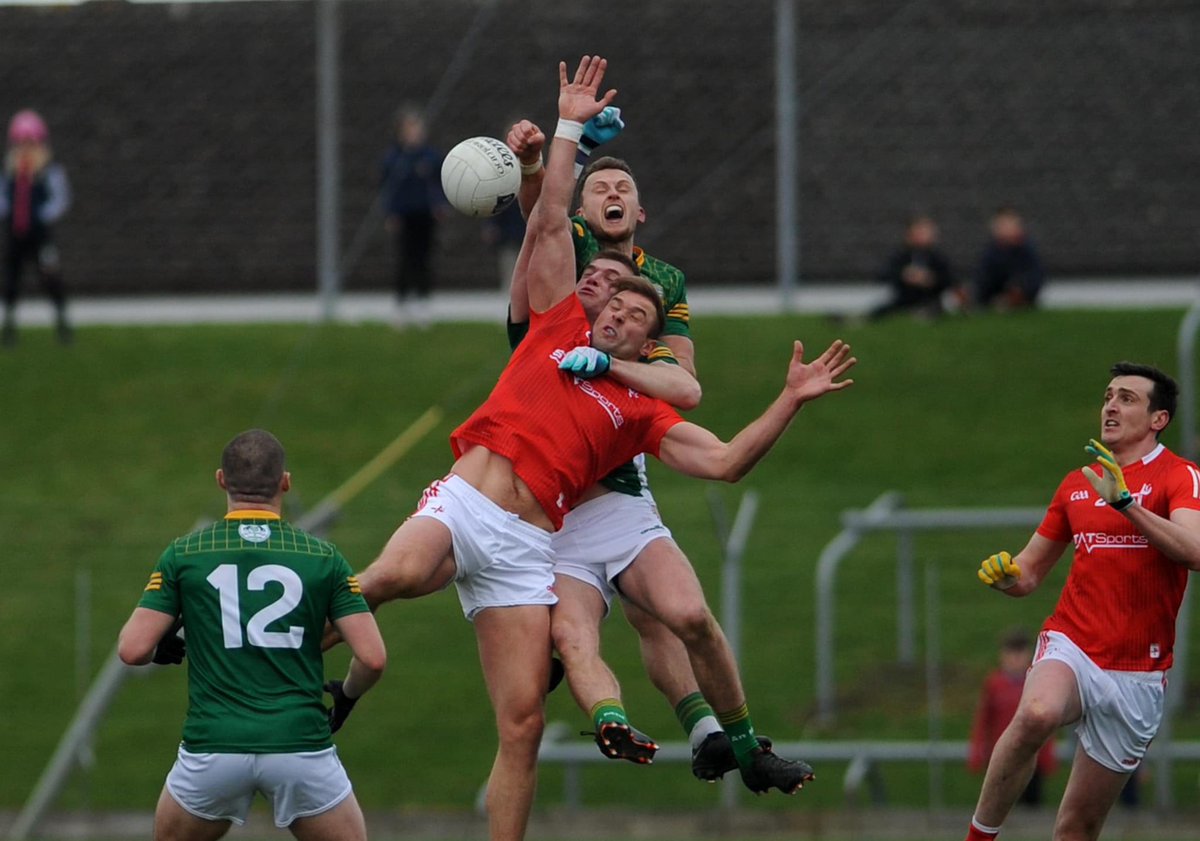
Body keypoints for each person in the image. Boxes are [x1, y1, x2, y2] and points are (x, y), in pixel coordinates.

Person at [336, 56, 854, 841]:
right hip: (493, 501)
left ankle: (724, 737)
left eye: (628, 308)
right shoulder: (556, 312)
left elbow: (700, 419)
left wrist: (783, 398)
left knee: (643, 638)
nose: (610, 304)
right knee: (409, 579)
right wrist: (558, 136)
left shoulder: (642, 368)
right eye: (602, 293)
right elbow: (545, 222)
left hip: (555, 520)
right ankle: (295, 665)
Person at [505, 113, 789, 780]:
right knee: (610, 616)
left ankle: (712, 733)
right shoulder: (571, 243)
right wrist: (540, 161)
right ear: (581, 206)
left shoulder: (662, 280)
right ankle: (686, 724)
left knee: (665, 611)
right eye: (598, 183)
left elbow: (683, 383)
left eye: (622, 187)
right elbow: (540, 217)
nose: (611, 192)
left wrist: (618, 361)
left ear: (641, 209)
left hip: (620, 439)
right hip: (549, 462)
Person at [967, 362, 1200, 841]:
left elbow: (1195, 551)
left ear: (1159, 419)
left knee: (1076, 828)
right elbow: (1028, 572)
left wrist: (1126, 505)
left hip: (1136, 674)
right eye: (1108, 396)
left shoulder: (1181, 475)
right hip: (1072, 644)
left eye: (1127, 399)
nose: (1110, 406)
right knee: (1037, 713)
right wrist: (1004, 576)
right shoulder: (1078, 482)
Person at [118, 429, 386, 841]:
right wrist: (346, 696)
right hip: (299, 745)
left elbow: (133, 649)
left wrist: (160, 646)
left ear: (221, 480)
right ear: (285, 482)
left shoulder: (185, 552)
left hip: (214, 746)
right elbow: (372, 658)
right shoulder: (322, 556)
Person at [0, 109, 72, 346]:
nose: (26, 148)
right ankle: (9, 327)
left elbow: (60, 199)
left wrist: (41, 215)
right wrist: (9, 212)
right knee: (11, 280)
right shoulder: (10, 172)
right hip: (15, 233)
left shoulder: (47, 171)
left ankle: (63, 325)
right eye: (21, 143)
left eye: (30, 142)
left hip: (40, 235)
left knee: (50, 277)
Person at [966, 628, 1057, 806]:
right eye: (1011, 653)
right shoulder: (994, 684)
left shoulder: (1035, 683)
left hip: (1031, 756)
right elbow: (983, 720)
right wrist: (977, 752)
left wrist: (1047, 755)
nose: (1015, 659)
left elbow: (1046, 721)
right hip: (1001, 755)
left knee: (1031, 805)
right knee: (997, 804)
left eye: (1020, 653)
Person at [380, 105, 445, 329]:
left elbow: (439, 184)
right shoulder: (394, 158)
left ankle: (423, 304)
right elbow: (387, 188)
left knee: (423, 259)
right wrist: (391, 213)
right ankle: (401, 304)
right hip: (405, 215)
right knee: (404, 259)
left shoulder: (431, 156)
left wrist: (439, 206)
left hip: (425, 215)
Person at [867, 214, 957, 321]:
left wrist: (931, 279)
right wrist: (905, 275)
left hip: (931, 301)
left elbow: (949, 280)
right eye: (920, 232)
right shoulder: (902, 256)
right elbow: (883, 274)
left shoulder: (938, 258)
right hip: (904, 301)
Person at [973, 207, 1045, 310]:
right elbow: (982, 278)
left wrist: (1022, 290)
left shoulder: (1027, 251)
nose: (1006, 229)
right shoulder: (991, 253)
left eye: (1009, 224)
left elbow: (1035, 275)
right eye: (1002, 225)